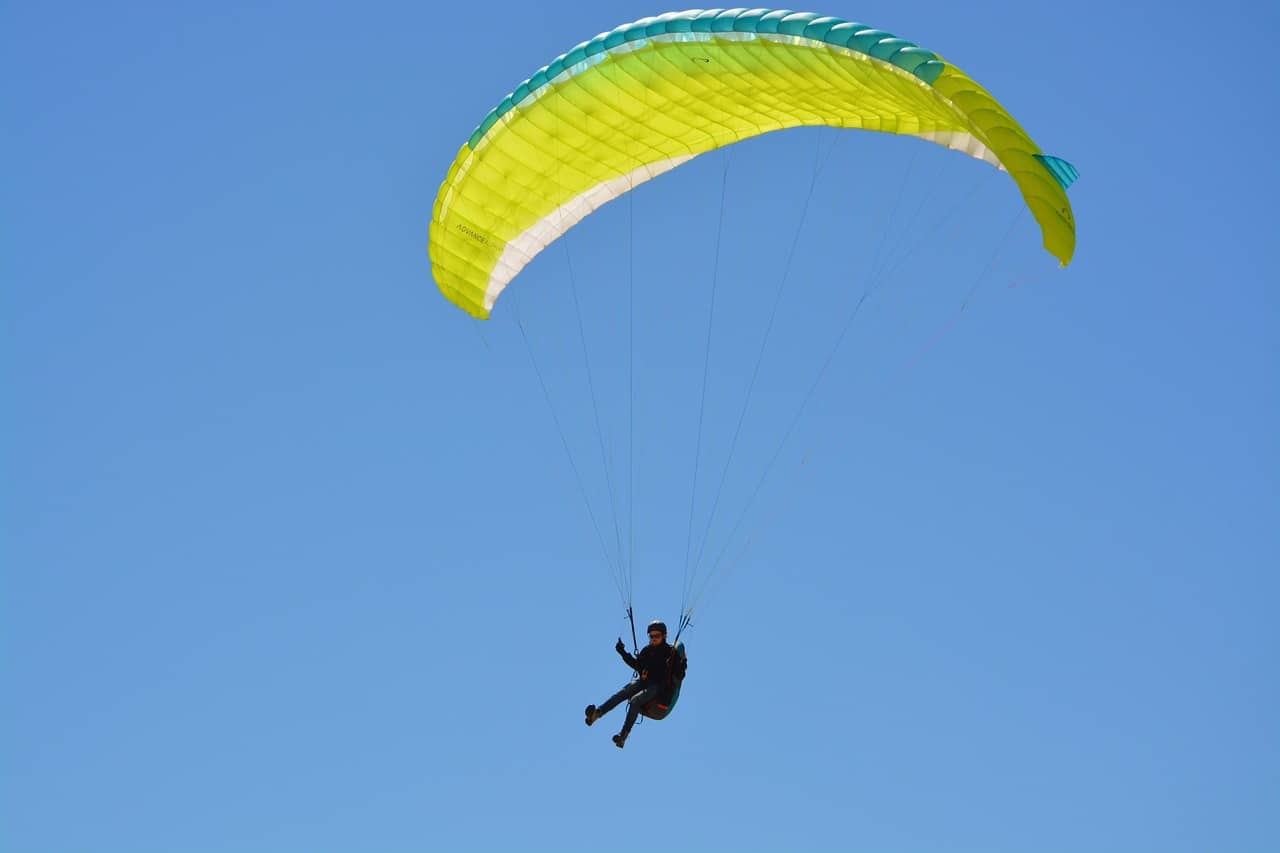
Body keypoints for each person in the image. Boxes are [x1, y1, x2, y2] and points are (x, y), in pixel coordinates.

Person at [584, 619, 686, 748]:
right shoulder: (647, 651)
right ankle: (596, 714)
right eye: (651, 636)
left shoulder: (671, 653)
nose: (653, 638)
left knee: (635, 701)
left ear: (664, 636)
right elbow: (637, 665)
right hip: (645, 682)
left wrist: (682, 665)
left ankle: (623, 736)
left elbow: (679, 675)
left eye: (657, 636)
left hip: (659, 688)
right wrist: (622, 652)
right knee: (623, 693)